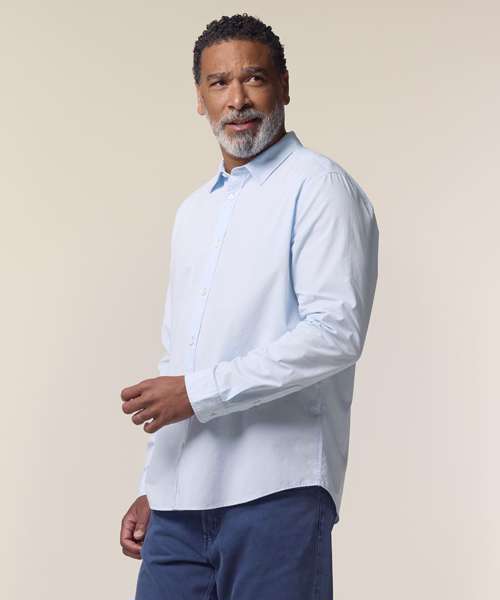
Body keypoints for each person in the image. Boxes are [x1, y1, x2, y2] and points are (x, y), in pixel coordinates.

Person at [119, 13, 379, 600]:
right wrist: (154, 483)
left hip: (276, 492)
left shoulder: (319, 187)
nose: (237, 100)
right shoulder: (193, 212)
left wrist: (198, 393)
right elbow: (178, 355)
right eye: (219, 83)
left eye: (253, 78)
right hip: (179, 505)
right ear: (200, 98)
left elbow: (335, 332)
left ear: (283, 85)